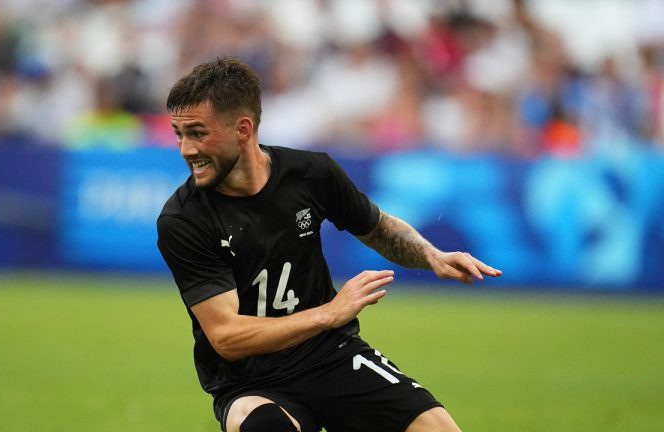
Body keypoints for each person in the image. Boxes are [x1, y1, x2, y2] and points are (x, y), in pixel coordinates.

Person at [157, 57, 502, 432]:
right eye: (179, 134)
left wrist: (431, 255)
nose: (185, 149)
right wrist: (328, 313)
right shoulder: (184, 219)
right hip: (250, 381)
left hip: (330, 356)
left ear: (242, 129)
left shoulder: (311, 174)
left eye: (197, 133)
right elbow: (227, 338)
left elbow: (379, 228)